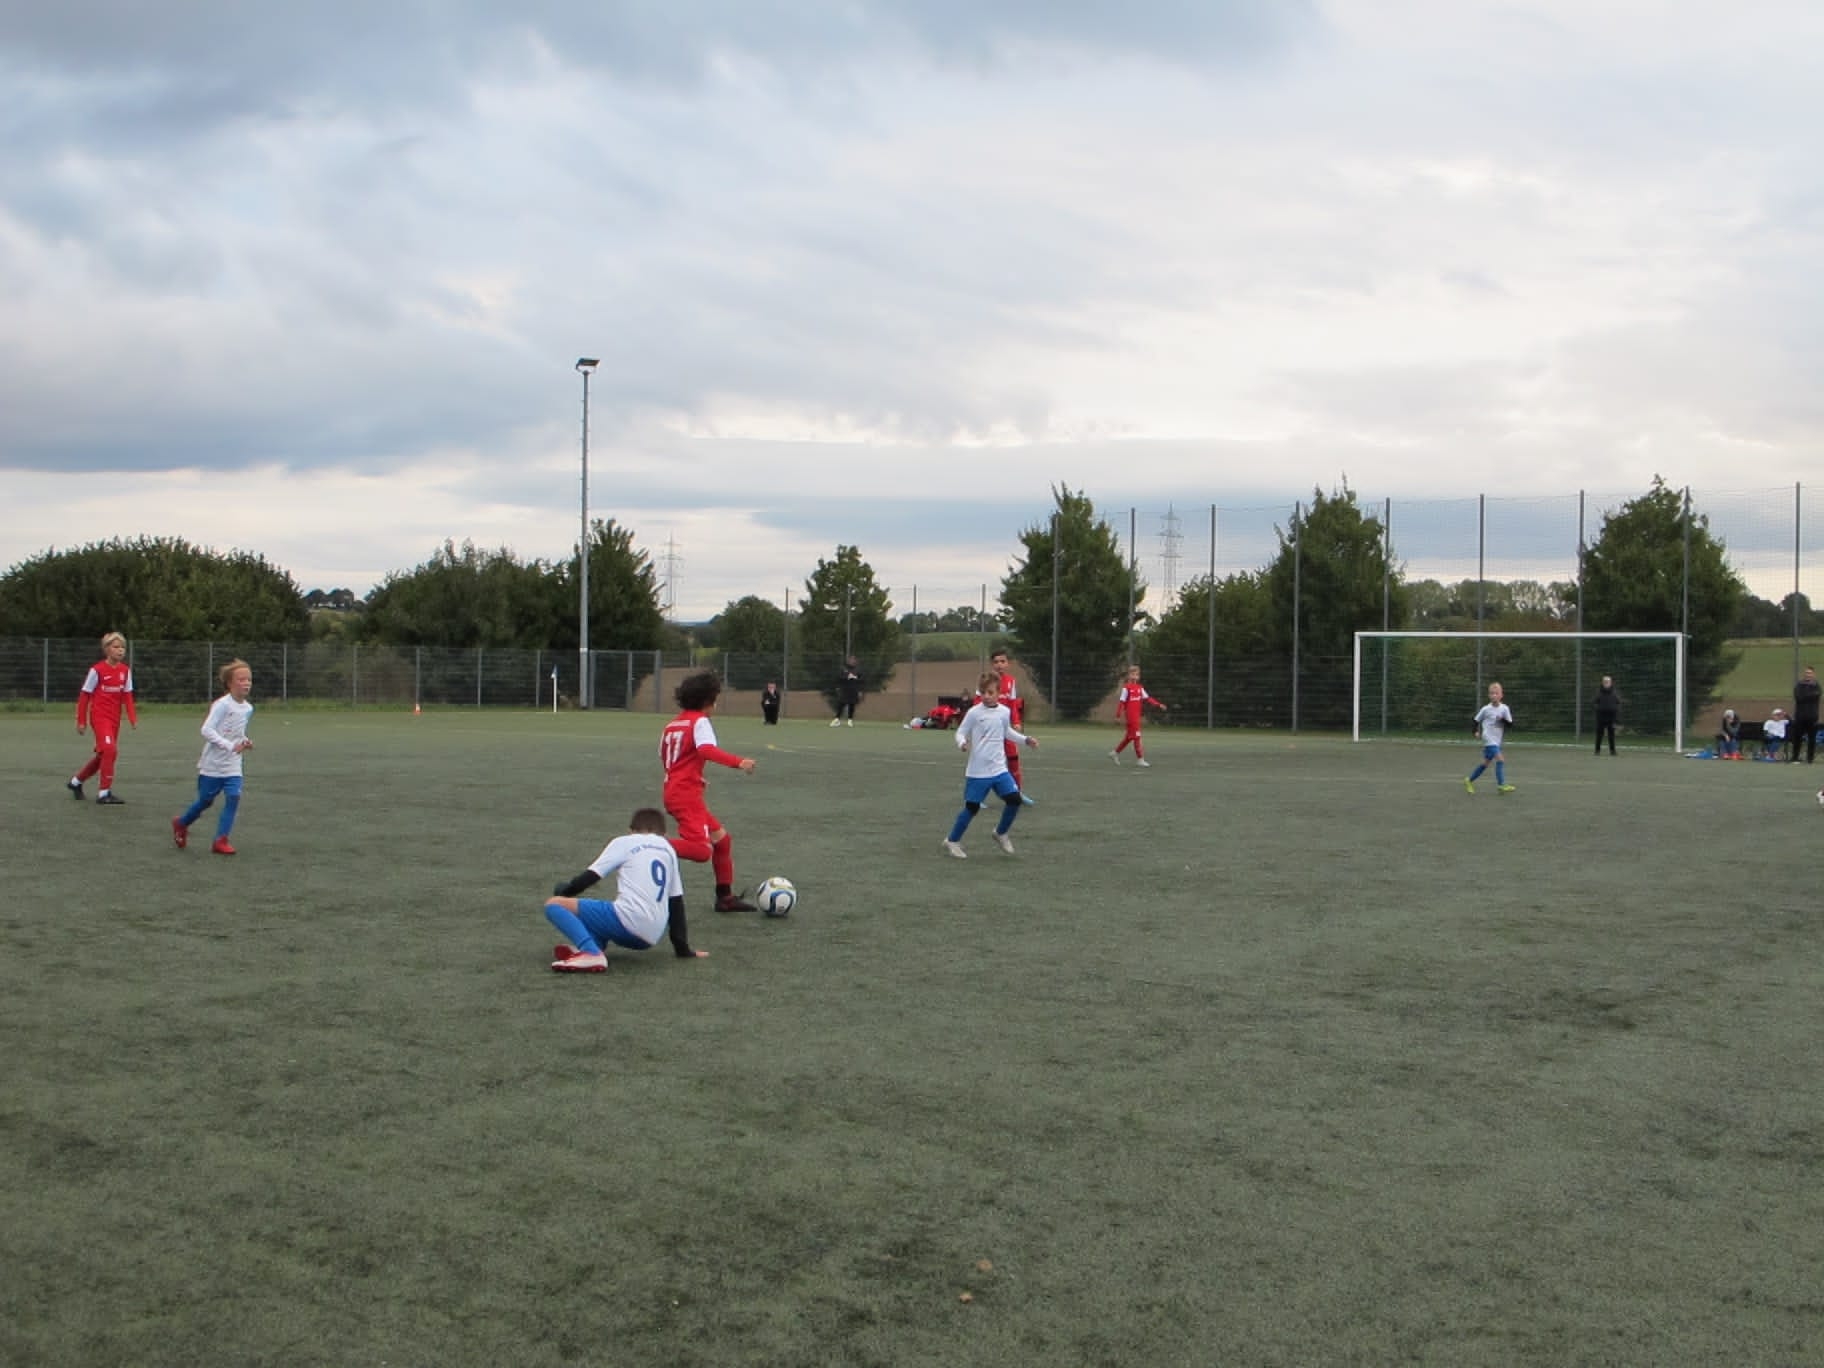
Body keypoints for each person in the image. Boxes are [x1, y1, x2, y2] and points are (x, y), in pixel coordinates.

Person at [542, 808, 706, 973]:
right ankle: (594, 945)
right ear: (664, 834)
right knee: (601, 911)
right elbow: (676, 902)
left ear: (631, 831)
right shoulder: (668, 849)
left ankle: (591, 953)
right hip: (650, 936)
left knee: (554, 905)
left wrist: (566, 891)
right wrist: (683, 949)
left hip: (628, 922)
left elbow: (592, 875)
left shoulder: (624, 842)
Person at [662, 670, 759, 912]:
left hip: (677, 789)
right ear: (708, 700)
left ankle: (725, 898)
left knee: (722, 840)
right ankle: (648, 844)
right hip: (685, 794)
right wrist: (739, 762)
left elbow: (672, 759)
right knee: (701, 850)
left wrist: (694, 776)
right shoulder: (700, 721)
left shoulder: (673, 725)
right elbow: (705, 749)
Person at [943, 673, 1037, 858]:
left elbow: (1006, 732)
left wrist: (1025, 740)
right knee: (972, 808)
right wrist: (962, 743)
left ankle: (1001, 833)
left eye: (990, 692)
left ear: (998, 693)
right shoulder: (974, 713)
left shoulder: (1004, 712)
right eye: (983, 692)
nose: (986, 696)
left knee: (1014, 800)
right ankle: (952, 841)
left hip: (999, 769)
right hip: (978, 771)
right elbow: (960, 732)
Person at [172, 659, 254, 855]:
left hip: (233, 764)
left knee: (234, 797)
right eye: (241, 679)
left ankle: (221, 840)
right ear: (229, 683)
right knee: (205, 801)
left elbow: (237, 732)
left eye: (249, 679)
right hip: (213, 764)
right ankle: (181, 823)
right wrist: (229, 745)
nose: (246, 683)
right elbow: (207, 730)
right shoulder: (222, 705)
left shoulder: (248, 708)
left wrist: (245, 741)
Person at [68, 631, 137, 804]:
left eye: (122, 647)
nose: (120, 650)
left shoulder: (125, 671)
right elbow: (85, 695)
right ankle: (104, 793)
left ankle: (76, 782)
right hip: (99, 717)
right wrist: (81, 721)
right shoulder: (97, 670)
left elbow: (127, 695)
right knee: (110, 750)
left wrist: (132, 717)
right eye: (116, 647)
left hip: (114, 719)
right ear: (106, 649)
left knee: (104, 756)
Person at [977, 647, 1033, 798]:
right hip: (989, 730)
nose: (999, 665)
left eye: (1002, 661)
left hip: (1005, 728)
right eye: (996, 662)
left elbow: (1013, 704)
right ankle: (978, 797)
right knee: (986, 764)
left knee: (1013, 759)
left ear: (1008, 663)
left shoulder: (1010, 681)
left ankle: (1017, 793)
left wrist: (1016, 721)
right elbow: (977, 703)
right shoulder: (985, 681)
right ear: (992, 664)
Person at [1109, 664, 1167, 767]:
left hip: (1136, 716)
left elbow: (1148, 698)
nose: (1134, 676)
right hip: (1130, 717)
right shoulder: (1126, 688)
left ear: (1138, 676)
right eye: (1132, 674)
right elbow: (1122, 702)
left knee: (1129, 737)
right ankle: (1140, 759)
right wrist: (1118, 715)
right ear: (1129, 675)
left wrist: (1158, 704)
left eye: (1136, 674)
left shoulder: (1140, 688)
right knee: (1137, 737)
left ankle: (1115, 753)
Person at [1464, 681, 1516, 795]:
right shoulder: (1486, 709)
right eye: (1491, 693)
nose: (1494, 695)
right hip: (1488, 738)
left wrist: (1502, 719)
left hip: (1497, 740)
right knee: (1500, 760)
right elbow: (1475, 720)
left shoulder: (1505, 709)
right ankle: (1501, 785)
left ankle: (1469, 780)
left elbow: (1510, 725)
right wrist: (1475, 731)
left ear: (1501, 695)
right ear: (1489, 695)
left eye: (1496, 693)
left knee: (1485, 764)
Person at [1791, 665, 1821, 764]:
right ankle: (1795, 757)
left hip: (1812, 717)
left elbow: (1816, 695)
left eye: (1810, 673)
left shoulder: (1817, 685)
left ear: (1813, 674)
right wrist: (1809, 696)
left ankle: (1810, 759)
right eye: (1807, 673)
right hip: (1800, 716)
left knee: (1812, 739)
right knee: (1797, 738)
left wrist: (1805, 696)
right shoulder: (1799, 685)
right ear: (1804, 674)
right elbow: (1798, 697)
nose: (1808, 675)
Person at [1593, 674, 1620, 756]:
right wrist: (1598, 710)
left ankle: (1613, 751)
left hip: (1611, 717)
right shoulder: (1599, 693)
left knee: (1611, 735)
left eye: (1608, 682)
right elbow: (1594, 703)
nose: (1606, 683)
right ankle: (1597, 751)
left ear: (1611, 683)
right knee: (1599, 735)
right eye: (1605, 682)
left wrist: (1616, 716)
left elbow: (1618, 703)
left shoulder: (1614, 693)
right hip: (1601, 717)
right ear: (1602, 683)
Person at [831, 657, 862, 727]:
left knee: (852, 705)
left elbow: (861, 680)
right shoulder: (843, 669)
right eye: (850, 660)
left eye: (853, 660)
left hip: (853, 690)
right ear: (848, 661)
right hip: (844, 690)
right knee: (841, 704)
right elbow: (839, 678)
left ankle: (850, 720)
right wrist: (847, 677)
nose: (852, 662)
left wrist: (859, 690)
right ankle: (837, 719)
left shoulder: (857, 670)